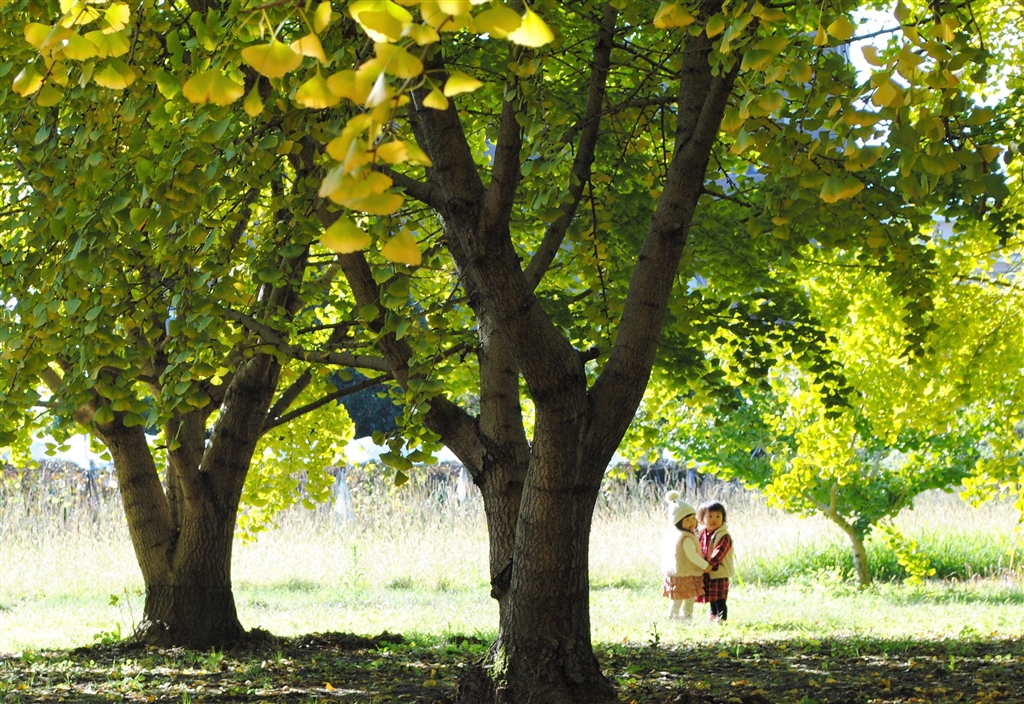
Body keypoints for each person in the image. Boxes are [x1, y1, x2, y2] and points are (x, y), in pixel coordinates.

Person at [662, 491, 710, 620]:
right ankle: (684, 617)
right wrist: (705, 566)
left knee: (677, 599)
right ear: (678, 522)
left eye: (693, 518)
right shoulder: (686, 538)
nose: (692, 522)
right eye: (687, 520)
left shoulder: (676, 534)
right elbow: (692, 556)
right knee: (686, 598)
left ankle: (676, 617)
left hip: (676, 573)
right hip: (685, 574)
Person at [696, 500, 735, 622]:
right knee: (711, 596)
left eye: (718, 516)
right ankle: (712, 614)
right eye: (710, 516)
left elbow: (719, 551)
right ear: (702, 519)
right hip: (707, 570)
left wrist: (711, 564)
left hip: (719, 571)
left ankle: (722, 618)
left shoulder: (723, 535)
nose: (714, 520)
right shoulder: (702, 533)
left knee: (719, 597)